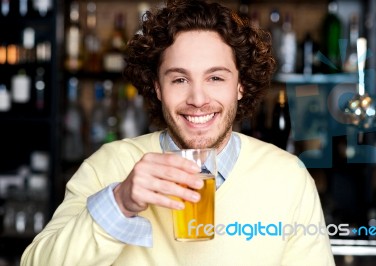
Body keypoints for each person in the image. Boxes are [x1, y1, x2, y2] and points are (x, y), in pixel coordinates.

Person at [22, 0, 335, 265]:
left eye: (215, 78)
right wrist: (119, 203)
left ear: (240, 86)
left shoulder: (288, 178)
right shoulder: (108, 165)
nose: (198, 99)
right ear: (157, 88)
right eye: (179, 80)